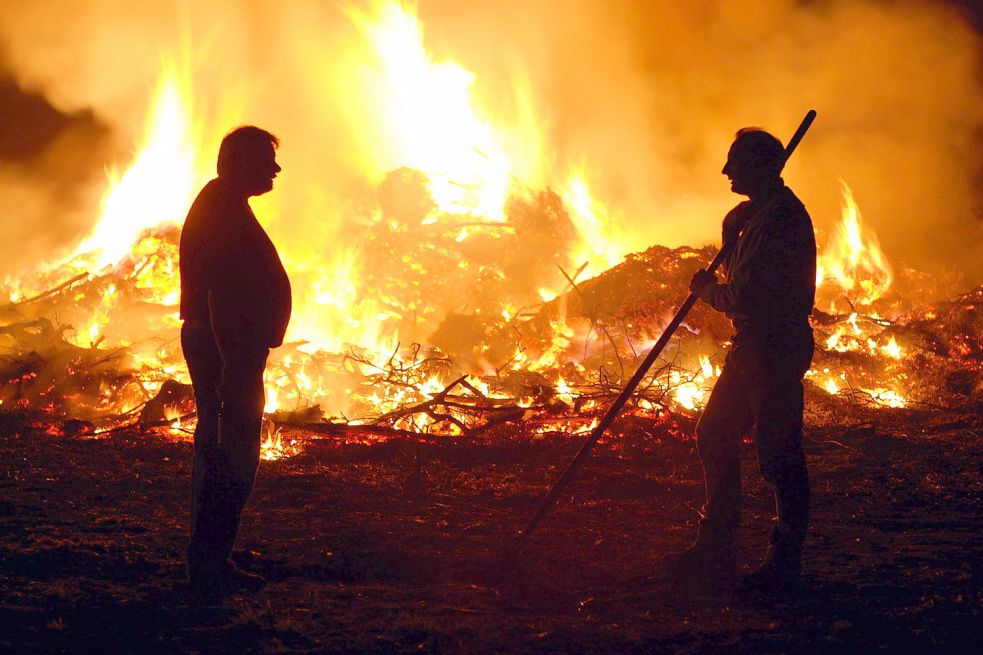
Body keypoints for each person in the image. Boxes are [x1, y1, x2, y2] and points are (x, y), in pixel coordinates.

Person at [667, 128, 816, 594]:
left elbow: (745, 295)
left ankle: (783, 564)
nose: (726, 170)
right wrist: (735, 226)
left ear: (759, 166)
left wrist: (703, 289)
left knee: (778, 453)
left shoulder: (779, 222)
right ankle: (716, 546)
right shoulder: (758, 216)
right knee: (714, 433)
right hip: (752, 346)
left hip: (773, 346)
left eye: (735, 162)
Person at [179, 125, 291, 594]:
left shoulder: (223, 204)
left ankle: (215, 551)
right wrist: (228, 369)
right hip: (229, 354)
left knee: (227, 451)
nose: (276, 169)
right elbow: (214, 294)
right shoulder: (222, 213)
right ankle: (209, 565)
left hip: (233, 352)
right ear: (241, 163)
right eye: (267, 160)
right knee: (230, 453)